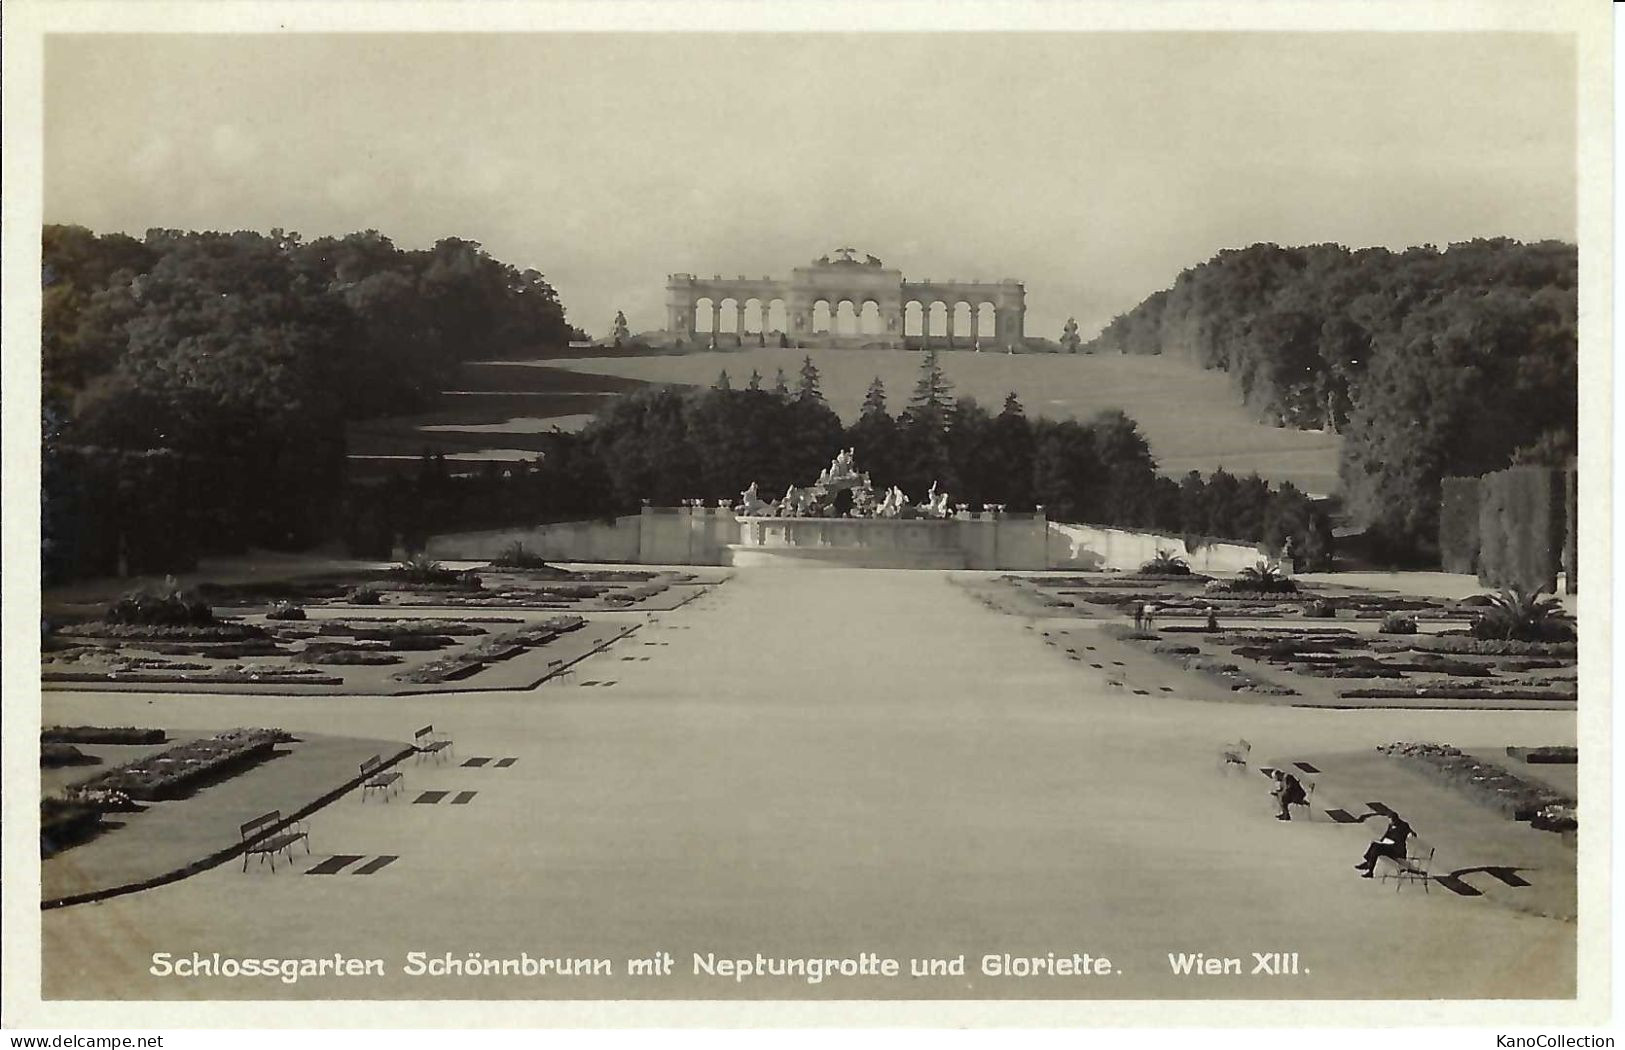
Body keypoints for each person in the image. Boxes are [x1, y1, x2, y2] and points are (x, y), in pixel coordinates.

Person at [1355, 813, 1414, 877]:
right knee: (1374, 845)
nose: (1391, 822)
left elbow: (1409, 833)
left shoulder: (1403, 825)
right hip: (1391, 848)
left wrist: (1411, 834)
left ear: (1396, 819)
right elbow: (1386, 835)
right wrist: (1383, 840)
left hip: (1398, 851)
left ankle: (1370, 869)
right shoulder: (1391, 825)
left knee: (1376, 849)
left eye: (1392, 820)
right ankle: (1368, 863)